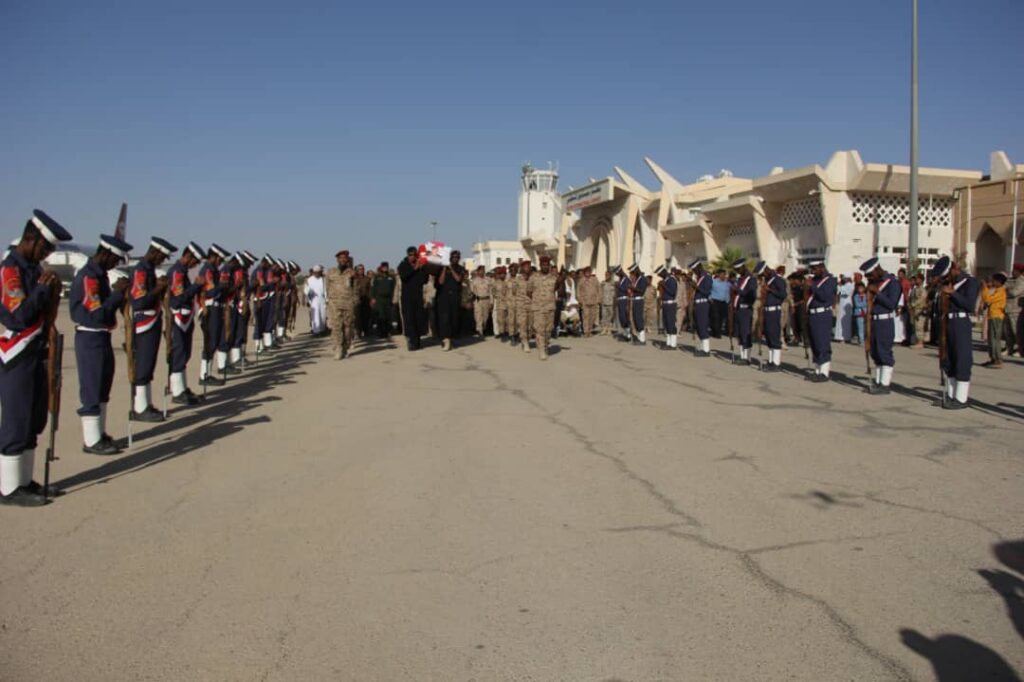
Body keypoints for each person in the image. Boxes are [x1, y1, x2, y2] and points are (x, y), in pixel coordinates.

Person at [0, 210, 72, 506]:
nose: (47, 254)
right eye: (44, 248)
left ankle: (25, 481)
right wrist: (43, 289)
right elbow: (20, 315)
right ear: (30, 239)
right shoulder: (11, 270)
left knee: (34, 419)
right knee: (17, 420)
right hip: (17, 352)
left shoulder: (31, 267)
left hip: (37, 350)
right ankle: (8, 488)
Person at [71, 234, 132, 455]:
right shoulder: (89, 278)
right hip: (90, 337)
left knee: (102, 386)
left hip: (101, 336)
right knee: (92, 386)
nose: (115, 264)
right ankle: (91, 440)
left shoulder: (100, 276)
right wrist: (117, 295)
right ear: (104, 254)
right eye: (114, 260)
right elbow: (97, 313)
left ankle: (100, 433)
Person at [130, 237, 175, 419]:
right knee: (143, 364)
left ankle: (146, 404)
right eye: (162, 257)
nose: (162, 261)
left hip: (152, 320)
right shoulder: (141, 270)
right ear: (154, 252)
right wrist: (158, 288)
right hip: (144, 323)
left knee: (149, 364)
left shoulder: (148, 270)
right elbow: (139, 301)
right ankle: (140, 408)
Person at [933, 255, 979, 408]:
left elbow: (969, 305)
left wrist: (953, 293)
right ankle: (951, 396)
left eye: (947, 275)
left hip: (960, 322)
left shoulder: (969, 282)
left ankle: (961, 399)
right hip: (947, 321)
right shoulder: (947, 283)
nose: (945, 279)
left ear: (954, 269)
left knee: (961, 358)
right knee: (949, 358)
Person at [166, 241, 207, 406]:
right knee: (179, 354)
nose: (196, 265)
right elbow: (177, 300)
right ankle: (177, 391)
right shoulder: (176, 273)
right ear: (188, 257)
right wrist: (196, 287)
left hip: (186, 319)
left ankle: (182, 388)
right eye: (195, 261)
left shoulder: (182, 273)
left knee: (184, 354)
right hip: (178, 319)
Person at [860, 257, 901, 394]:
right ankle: (878, 381)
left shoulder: (892, 283)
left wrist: (877, 293)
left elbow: (891, 304)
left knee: (884, 351)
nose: (870, 278)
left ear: (877, 270)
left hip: (885, 321)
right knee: (875, 351)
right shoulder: (875, 282)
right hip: (874, 320)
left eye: (870, 275)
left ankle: (885, 384)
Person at [197, 244, 230, 387]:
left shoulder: (213, 270)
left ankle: (208, 373)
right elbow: (210, 292)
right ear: (214, 257)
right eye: (220, 258)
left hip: (217, 307)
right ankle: (204, 375)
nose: (221, 261)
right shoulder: (208, 270)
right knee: (209, 342)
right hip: (210, 308)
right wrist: (222, 285)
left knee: (215, 340)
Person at [805, 259, 837, 382]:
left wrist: (812, 286)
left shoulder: (830, 281)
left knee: (822, 342)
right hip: (813, 314)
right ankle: (817, 370)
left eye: (815, 269)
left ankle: (824, 372)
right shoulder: (815, 281)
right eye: (812, 269)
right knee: (815, 343)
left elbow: (824, 296)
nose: (813, 272)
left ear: (822, 267)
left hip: (823, 314)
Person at [325, 250, 357, 359]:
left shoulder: (351, 273)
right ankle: (338, 348)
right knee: (336, 327)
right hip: (334, 304)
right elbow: (327, 287)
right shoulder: (331, 272)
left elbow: (356, 289)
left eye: (345, 258)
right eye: (341, 258)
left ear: (347, 260)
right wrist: (329, 300)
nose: (343, 260)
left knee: (348, 328)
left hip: (348, 303)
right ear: (337, 260)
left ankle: (346, 346)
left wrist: (355, 301)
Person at [757, 261, 787, 371]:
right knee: (769, 335)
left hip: (775, 310)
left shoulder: (778, 280)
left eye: (763, 273)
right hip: (767, 310)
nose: (763, 276)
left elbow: (783, 295)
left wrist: (770, 290)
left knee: (774, 335)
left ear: (766, 270)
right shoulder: (769, 280)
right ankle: (771, 361)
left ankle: (776, 363)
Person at [397, 246, 428, 350]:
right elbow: (404, 277)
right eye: (410, 255)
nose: (412, 257)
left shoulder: (420, 266)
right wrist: (414, 269)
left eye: (414, 255)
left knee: (418, 319)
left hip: (418, 296)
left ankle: (417, 341)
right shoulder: (403, 265)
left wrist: (422, 268)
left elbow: (424, 280)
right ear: (407, 255)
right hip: (407, 297)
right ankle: (411, 341)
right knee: (409, 319)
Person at [528, 255, 558, 360]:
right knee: (540, 329)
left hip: (550, 307)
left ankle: (545, 345)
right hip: (538, 308)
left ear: (549, 266)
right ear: (540, 265)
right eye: (543, 265)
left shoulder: (554, 278)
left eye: (547, 265)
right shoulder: (533, 277)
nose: (545, 267)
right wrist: (537, 301)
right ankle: (541, 350)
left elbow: (557, 290)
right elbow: (529, 292)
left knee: (549, 330)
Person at [435, 250, 465, 351]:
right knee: (444, 319)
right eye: (454, 257)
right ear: (450, 258)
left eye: (457, 257)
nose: (456, 258)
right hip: (444, 296)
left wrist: (451, 269)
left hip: (455, 296)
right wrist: (444, 268)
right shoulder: (442, 268)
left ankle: (451, 338)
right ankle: (445, 339)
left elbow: (458, 279)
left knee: (454, 318)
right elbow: (440, 281)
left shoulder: (460, 268)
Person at [731, 258, 756, 364]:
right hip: (738, 309)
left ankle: (747, 357)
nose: (737, 271)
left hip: (746, 309)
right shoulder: (740, 279)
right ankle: (742, 355)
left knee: (746, 333)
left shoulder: (750, 279)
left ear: (743, 267)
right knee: (740, 333)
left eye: (738, 269)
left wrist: (738, 290)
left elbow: (750, 294)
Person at [980, 272, 1007, 368]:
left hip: (997, 316)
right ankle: (993, 358)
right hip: (992, 315)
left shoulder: (1001, 291)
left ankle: (998, 359)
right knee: (991, 338)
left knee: (995, 338)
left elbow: (987, 299)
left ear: (999, 282)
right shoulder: (996, 290)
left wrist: (984, 288)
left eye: (994, 281)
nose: (992, 283)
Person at [687, 259, 713, 356]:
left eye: (694, 269)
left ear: (699, 267)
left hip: (703, 304)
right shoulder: (699, 277)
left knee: (703, 326)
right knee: (699, 326)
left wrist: (696, 287)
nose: (694, 271)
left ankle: (706, 350)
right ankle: (702, 347)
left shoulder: (707, 277)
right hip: (698, 304)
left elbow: (707, 291)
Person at [370, 262, 396, 338]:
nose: (385, 268)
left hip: (388, 299)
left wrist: (393, 298)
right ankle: (380, 332)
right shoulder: (377, 277)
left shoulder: (391, 277)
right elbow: (373, 288)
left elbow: (393, 288)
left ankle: (387, 332)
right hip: (379, 299)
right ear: (381, 268)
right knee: (380, 316)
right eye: (383, 267)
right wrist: (373, 298)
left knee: (388, 316)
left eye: (386, 267)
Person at [656, 266, 679, 349]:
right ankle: (668, 343)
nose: (659, 276)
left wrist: (664, 286)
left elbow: (672, 292)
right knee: (666, 324)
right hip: (665, 304)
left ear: (664, 272)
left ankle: (673, 344)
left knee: (671, 323)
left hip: (670, 304)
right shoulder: (665, 280)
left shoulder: (671, 279)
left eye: (660, 274)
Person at [514, 261, 533, 351]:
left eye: (529, 267)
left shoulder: (533, 279)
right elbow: (514, 292)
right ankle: (524, 341)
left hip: (531, 304)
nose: (527, 268)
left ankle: (527, 339)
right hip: (521, 305)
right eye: (525, 267)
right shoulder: (517, 279)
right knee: (523, 324)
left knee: (530, 324)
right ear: (522, 268)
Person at [1006, 263, 1024, 357]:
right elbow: (1002, 288)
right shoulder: (1010, 280)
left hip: (1016, 309)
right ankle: (1009, 348)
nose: (1013, 272)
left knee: (1016, 331)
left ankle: (1019, 349)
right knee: (1007, 331)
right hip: (1007, 308)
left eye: (1015, 270)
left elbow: (1014, 293)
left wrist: (1007, 290)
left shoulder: (1021, 281)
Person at [578, 266, 600, 337]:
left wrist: (599, 299)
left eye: (589, 271)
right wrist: (580, 300)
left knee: (592, 317)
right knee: (585, 317)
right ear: (584, 272)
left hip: (593, 301)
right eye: (586, 272)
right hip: (585, 302)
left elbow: (599, 289)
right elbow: (578, 291)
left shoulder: (595, 279)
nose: (588, 273)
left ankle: (590, 331)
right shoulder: (581, 280)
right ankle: (586, 331)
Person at [306, 265, 327, 336]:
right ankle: (316, 331)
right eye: (316, 272)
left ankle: (322, 330)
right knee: (315, 316)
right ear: (314, 272)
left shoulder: (323, 279)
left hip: (322, 300)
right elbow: (306, 290)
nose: (317, 274)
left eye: (319, 272)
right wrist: (309, 293)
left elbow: (325, 290)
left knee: (322, 315)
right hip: (313, 300)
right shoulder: (309, 280)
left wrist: (327, 299)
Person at [469, 265, 491, 337]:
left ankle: (483, 329)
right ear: (477, 272)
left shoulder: (488, 280)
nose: (482, 272)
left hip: (486, 300)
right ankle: (479, 331)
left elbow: (490, 292)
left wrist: (491, 302)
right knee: (478, 316)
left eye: (483, 270)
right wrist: (471, 301)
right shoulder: (474, 281)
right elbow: (471, 292)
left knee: (485, 317)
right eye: (480, 271)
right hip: (478, 300)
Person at [908, 272, 927, 349]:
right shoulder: (914, 289)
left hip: (920, 310)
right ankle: (917, 341)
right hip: (914, 310)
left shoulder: (922, 290)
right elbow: (910, 299)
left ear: (921, 280)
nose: (916, 281)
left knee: (919, 327)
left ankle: (920, 343)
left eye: (918, 279)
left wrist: (913, 304)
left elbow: (922, 299)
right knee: (915, 326)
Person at [709, 269, 730, 338]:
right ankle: (716, 333)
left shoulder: (727, 283)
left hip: (724, 302)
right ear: (718, 274)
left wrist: (728, 301)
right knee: (716, 317)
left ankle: (718, 330)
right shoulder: (713, 282)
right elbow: (709, 290)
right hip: (715, 301)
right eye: (722, 274)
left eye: (725, 274)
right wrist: (710, 298)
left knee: (721, 317)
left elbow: (728, 293)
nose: (724, 276)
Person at [834, 274, 854, 342]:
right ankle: (839, 337)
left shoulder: (850, 285)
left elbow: (847, 293)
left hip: (847, 303)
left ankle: (845, 337)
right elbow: (838, 292)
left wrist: (840, 287)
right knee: (840, 320)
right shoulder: (844, 285)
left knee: (846, 321)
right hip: (841, 303)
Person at [614, 265, 631, 342]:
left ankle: (628, 335)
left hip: (624, 299)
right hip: (620, 300)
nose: (617, 275)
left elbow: (626, 290)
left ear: (620, 271)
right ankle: (625, 334)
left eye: (617, 273)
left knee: (625, 317)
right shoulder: (621, 279)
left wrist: (618, 286)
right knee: (621, 317)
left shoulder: (626, 279)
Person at [492, 267, 509, 339]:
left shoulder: (508, 282)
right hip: (499, 303)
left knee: (507, 318)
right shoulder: (495, 283)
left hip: (508, 303)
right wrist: (492, 303)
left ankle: (506, 332)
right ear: (499, 274)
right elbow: (492, 293)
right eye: (501, 274)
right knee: (499, 319)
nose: (503, 275)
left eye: (504, 274)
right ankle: (500, 332)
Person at [600, 269, 615, 335]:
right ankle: (604, 329)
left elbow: (615, 294)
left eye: (608, 275)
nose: (606, 276)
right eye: (605, 275)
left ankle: (609, 329)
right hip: (604, 302)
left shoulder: (613, 283)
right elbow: (600, 292)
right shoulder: (603, 283)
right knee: (604, 316)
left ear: (610, 276)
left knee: (610, 316)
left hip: (611, 302)